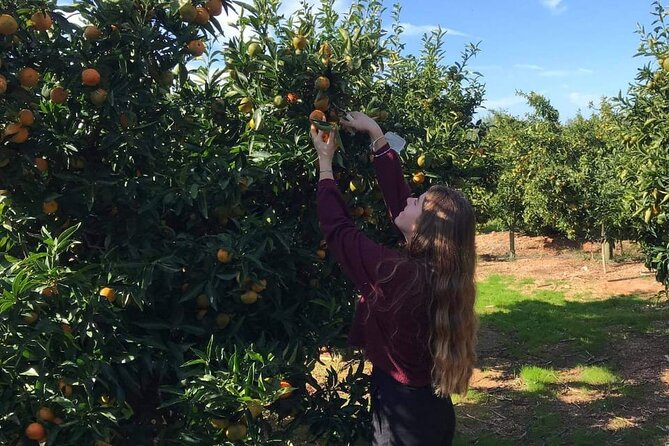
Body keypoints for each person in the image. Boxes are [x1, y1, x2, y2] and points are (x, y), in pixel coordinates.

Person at [311, 111, 478, 446]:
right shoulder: (439, 269)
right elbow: (401, 203)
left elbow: (340, 232)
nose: (411, 198)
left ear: (426, 228)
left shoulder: (397, 275)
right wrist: (375, 134)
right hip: (432, 408)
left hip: (402, 418)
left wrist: (325, 166)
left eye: (420, 201)